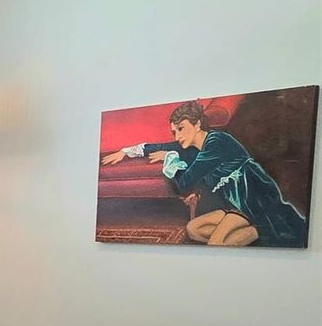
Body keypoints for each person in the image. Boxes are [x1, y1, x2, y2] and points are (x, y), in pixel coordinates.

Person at [102, 101, 307, 247]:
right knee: (194, 230)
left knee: (217, 243)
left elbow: (184, 182)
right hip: (234, 205)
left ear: (198, 124)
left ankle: (262, 228)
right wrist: (125, 151)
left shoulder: (216, 142)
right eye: (175, 132)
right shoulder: (194, 147)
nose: (178, 136)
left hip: (253, 202)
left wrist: (170, 158)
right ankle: (258, 231)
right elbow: (158, 146)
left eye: (182, 129)